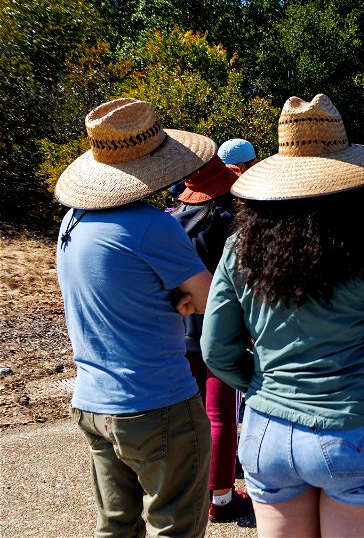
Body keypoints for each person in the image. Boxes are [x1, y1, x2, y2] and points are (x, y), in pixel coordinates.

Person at [201, 94, 364, 537]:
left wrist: (259, 381)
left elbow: (215, 347)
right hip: (357, 430)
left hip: (267, 431)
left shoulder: (240, 247)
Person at [54, 98, 215, 537]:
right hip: (156, 401)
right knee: (176, 527)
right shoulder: (150, 226)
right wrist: (186, 297)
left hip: (92, 400)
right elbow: (209, 300)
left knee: (116, 527)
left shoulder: (72, 221)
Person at [171, 156, 255, 524]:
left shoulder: (170, 222)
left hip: (178, 328)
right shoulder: (229, 223)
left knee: (187, 415)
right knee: (220, 415)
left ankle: (190, 488)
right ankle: (221, 498)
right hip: (222, 331)